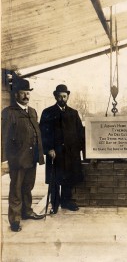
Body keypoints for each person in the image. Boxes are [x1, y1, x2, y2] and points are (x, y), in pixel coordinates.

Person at [1, 78, 45, 232]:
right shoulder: (9, 113)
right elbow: (4, 137)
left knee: (28, 186)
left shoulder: (32, 111)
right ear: (16, 95)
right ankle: (15, 219)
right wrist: (4, 160)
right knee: (16, 189)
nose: (26, 96)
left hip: (32, 158)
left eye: (28, 93)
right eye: (23, 93)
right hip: (17, 159)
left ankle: (27, 211)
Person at [40, 84, 85, 214]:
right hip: (55, 153)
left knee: (68, 179)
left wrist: (81, 151)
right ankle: (54, 204)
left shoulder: (73, 113)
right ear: (55, 96)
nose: (62, 99)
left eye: (64, 96)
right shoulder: (47, 112)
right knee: (54, 179)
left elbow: (80, 132)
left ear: (68, 96)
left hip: (70, 153)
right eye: (59, 96)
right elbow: (43, 133)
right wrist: (48, 149)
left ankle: (66, 202)